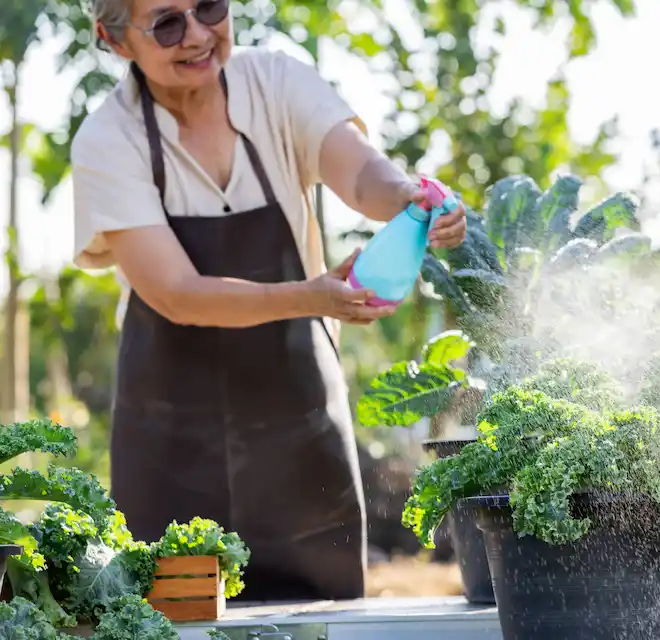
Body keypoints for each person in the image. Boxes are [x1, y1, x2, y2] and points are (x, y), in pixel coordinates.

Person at [72, 0, 467, 602]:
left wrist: (411, 199)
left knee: (317, 617)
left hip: (297, 422)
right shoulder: (107, 140)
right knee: (174, 616)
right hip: (168, 440)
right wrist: (311, 296)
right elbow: (177, 295)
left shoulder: (277, 82)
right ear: (116, 39)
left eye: (209, 7)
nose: (199, 35)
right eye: (168, 23)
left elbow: (362, 176)